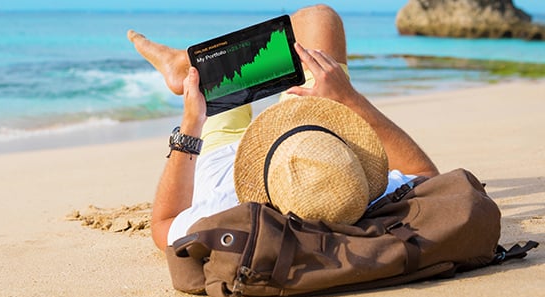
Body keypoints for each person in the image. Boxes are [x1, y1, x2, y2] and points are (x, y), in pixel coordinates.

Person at [127, 4, 439, 250]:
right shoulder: (351, 197)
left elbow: (163, 223)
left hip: (228, 157)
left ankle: (184, 68)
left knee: (215, 79)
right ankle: (186, 66)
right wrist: (347, 97)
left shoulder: (225, 214)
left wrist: (190, 124)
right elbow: (427, 175)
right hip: (308, 144)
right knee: (319, 19)